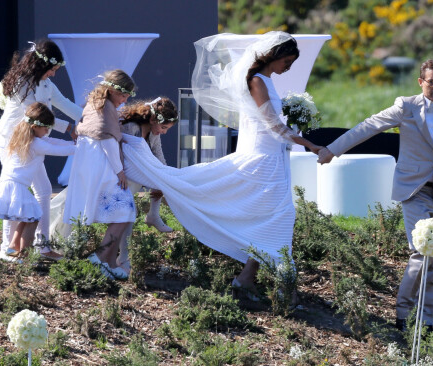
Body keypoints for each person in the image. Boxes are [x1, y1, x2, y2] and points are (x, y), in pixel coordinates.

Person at [121, 31, 322, 299]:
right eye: (288, 61)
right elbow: (272, 125)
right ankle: (284, 288)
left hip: (274, 160)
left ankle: (248, 278)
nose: (289, 67)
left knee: (273, 217)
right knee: (280, 216)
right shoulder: (257, 81)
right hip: (262, 161)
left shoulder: (267, 82)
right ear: (275, 55)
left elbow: (274, 123)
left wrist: (294, 126)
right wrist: (309, 144)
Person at [317, 59, 433, 330]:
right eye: (432, 82)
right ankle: (403, 315)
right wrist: (333, 150)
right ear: (421, 82)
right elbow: (369, 126)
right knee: (420, 251)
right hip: (413, 190)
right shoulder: (406, 106)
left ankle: (427, 321)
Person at [0, 39, 83, 261]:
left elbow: (66, 105)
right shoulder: (22, 84)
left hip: (32, 142)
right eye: (52, 70)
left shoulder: (46, 84)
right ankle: (8, 249)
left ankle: (42, 247)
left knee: (43, 190)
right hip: (12, 143)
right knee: (18, 192)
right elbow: (34, 115)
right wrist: (68, 128)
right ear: (41, 66)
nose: (53, 74)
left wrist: (91, 120)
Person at [63, 69, 137, 280]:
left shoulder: (94, 103)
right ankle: (100, 256)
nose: (126, 98)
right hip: (101, 164)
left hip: (90, 162)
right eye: (124, 94)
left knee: (121, 211)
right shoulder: (105, 107)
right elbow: (107, 140)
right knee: (124, 210)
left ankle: (110, 262)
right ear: (112, 90)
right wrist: (119, 171)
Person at [0, 102, 76, 260]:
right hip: (16, 186)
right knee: (34, 216)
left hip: (9, 184)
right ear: (35, 127)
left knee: (27, 216)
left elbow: (54, 143)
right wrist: (83, 147)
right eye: (46, 128)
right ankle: (25, 255)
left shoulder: (24, 137)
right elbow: (59, 150)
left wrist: (76, 143)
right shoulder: (36, 144)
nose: (48, 132)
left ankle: (12, 249)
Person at [116, 97, 178, 273]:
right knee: (129, 213)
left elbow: (158, 156)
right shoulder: (130, 128)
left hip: (134, 174)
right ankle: (123, 258)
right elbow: (120, 153)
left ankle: (153, 215)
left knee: (161, 177)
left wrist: (166, 179)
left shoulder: (153, 132)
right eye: (164, 127)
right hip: (121, 174)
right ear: (152, 119)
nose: (164, 132)